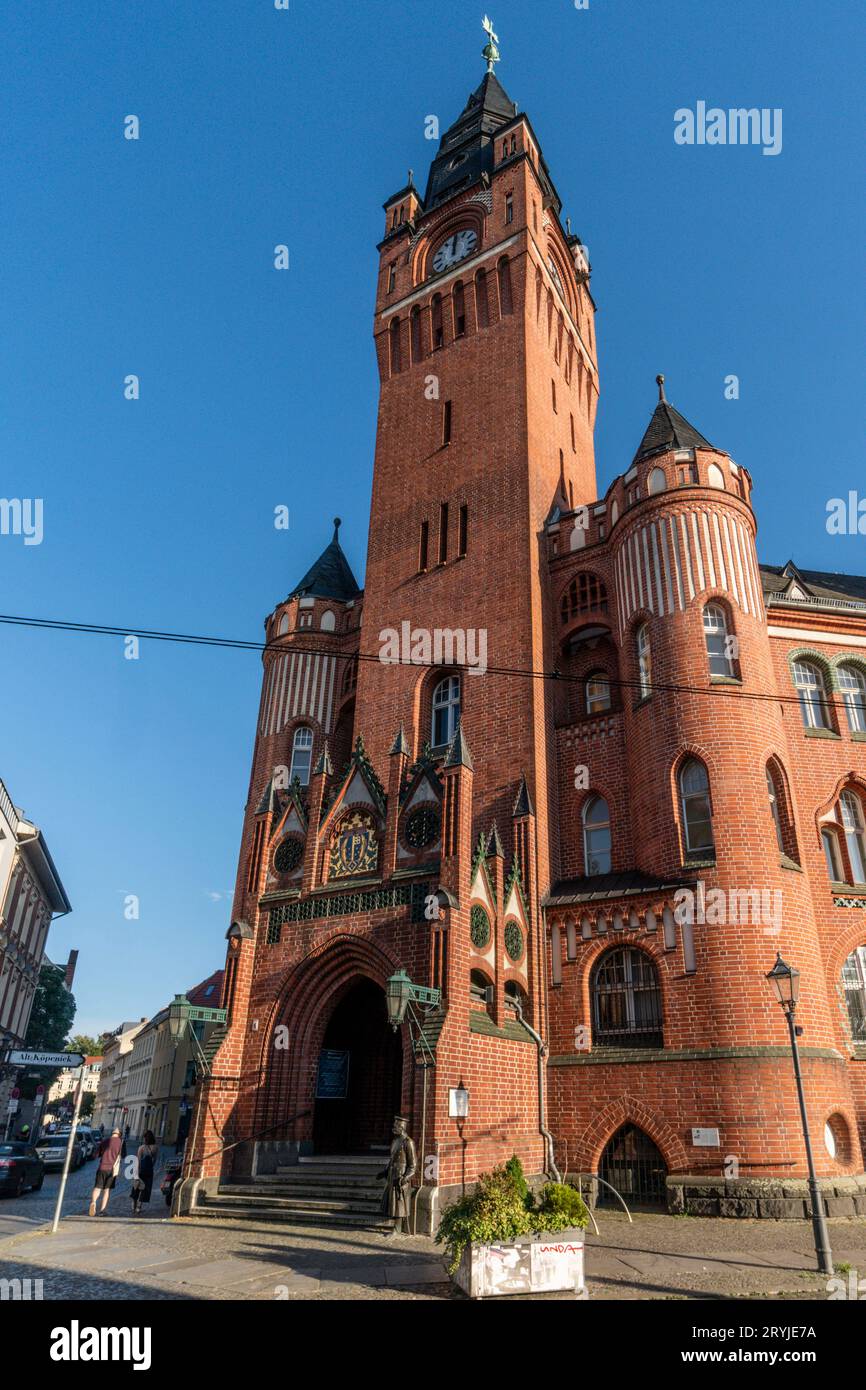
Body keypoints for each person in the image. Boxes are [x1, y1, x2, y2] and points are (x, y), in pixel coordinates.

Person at [377, 1115, 417, 1234]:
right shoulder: (395, 1141)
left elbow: (413, 1164)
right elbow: (392, 1159)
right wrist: (384, 1172)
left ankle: (397, 1229)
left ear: (402, 1127)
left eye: (396, 1126)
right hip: (392, 1175)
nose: (393, 1127)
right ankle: (395, 1226)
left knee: (399, 1203)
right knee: (392, 1202)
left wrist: (406, 1177)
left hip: (400, 1177)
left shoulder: (408, 1142)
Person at [88, 1127, 126, 1217]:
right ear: (120, 1134)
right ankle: (102, 1210)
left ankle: (93, 1202)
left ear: (112, 1133)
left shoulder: (105, 1141)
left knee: (97, 1187)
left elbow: (96, 1155)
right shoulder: (121, 1142)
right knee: (106, 1190)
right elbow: (123, 1155)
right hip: (112, 1169)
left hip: (102, 1167)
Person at [130, 1130, 159, 1215]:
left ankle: (134, 1205)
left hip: (140, 1171)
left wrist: (136, 1172)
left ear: (145, 1138)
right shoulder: (155, 1148)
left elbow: (138, 1160)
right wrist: (150, 1167)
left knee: (136, 1187)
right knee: (144, 1189)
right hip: (149, 1171)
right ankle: (139, 1206)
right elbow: (155, 1160)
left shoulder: (141, 1148)